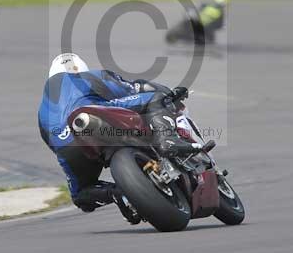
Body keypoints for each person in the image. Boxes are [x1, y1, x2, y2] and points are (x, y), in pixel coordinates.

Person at [37, 53, 197, 223]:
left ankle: (119, 194)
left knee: (81, 195)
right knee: (155, 99)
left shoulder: (41, 111)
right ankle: (168, 140)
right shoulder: (90, 76)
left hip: (66, 144)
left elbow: (52, 143)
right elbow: (134, 89)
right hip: (93, 115)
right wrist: (167, 93)